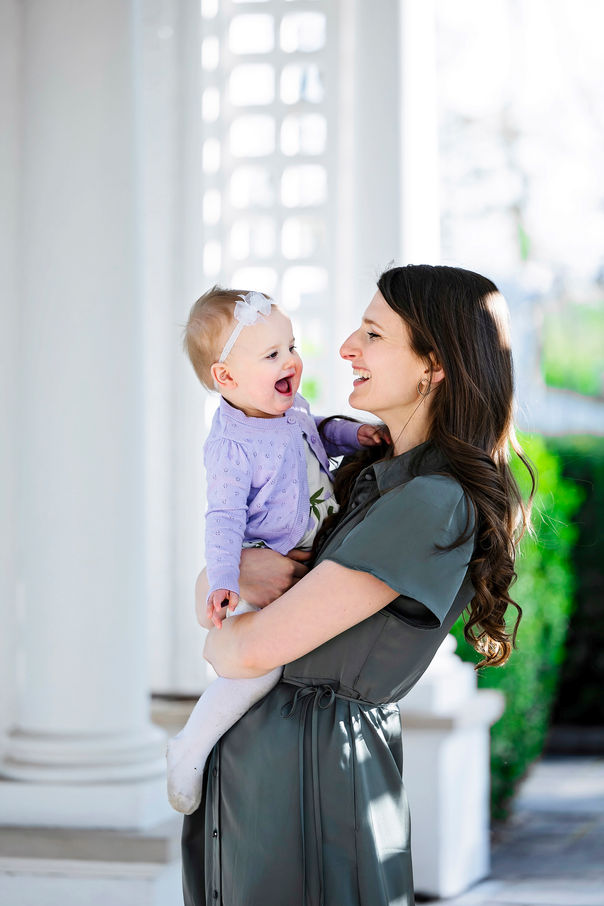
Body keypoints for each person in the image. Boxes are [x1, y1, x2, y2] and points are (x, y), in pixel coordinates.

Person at [182, 265, 535, 906]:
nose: (346, 347)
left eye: (373, 334)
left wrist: (224, 611)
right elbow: (232, 583)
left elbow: (242, 648)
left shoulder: (429, 503)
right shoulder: (367, 476)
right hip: (261, 790)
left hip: (312, 795)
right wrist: (231, 573)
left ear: (435, 366)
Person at [167, 287, 383, 815]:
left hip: (307, 558)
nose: (290, 361)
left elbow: (318, 434)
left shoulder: (287, 407)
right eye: (271, 355)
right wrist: (225, 579)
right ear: (226, 378)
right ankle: (190, 746)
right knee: (257, 669)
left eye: (291, 346)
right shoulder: (232, 445)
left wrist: (352, 435)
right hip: (264, 564)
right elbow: (222, 518)